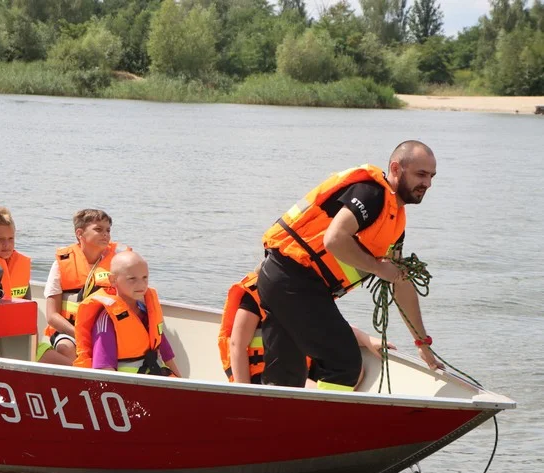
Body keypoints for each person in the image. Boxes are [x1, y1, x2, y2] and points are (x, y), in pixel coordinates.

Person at [258, 140, 445, 391]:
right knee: (344, 363)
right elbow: (334, 239)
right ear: (396, 168)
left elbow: (400, 283)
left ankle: (278, 424)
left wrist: (422, 343)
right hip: (291, 279)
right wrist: (379, 268)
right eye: (420, 174)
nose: (427, 184)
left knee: (285, 379)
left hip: (288, 284)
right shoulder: (371, 195)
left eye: (431, 176)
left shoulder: (395, 222)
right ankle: (324, 424)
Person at [217, 267, 395, 385]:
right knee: (311, 385)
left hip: (298, 366)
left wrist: (367, 339)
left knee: (352, 366)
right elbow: (237, 344)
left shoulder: (303, 291)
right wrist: (247, 394)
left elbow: (331, 328)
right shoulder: (256, 293)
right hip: (263, 377)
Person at [0, 207, 69, 364]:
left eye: (11, 239)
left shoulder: (19, 266)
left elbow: (27, 308)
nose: (6, 245)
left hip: (16, 339)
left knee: (67, 364)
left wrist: (29, 341)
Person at [73, 251, 181, 377]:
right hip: (129, 388)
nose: (141, 284)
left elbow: (166, 356)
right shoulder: (107, 320)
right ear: (113, 280)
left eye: (145, 278)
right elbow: (104, 370)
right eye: (132, 279)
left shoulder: (147, 313)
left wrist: (183, 384)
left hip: (157, 379)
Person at [44, 209, 128, 363]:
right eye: (98, 229)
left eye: (108, 230)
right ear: (79, 233)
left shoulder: (118, 264)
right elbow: (51, 316)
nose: (105, 234)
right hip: (69, 330)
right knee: (65, 348)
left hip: (106, 330)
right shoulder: (60, 265)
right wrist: (80, 333)